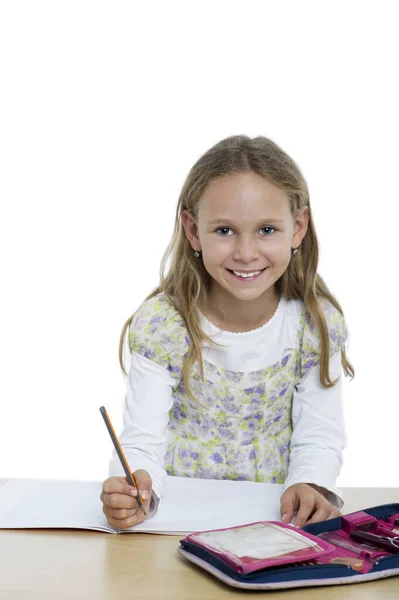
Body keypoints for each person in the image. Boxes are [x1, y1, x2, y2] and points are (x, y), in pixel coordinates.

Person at [100, 134, 354, 530]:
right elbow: (141, 441)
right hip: (176, 525)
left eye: (267, 230)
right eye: (224, 231)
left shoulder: (314, 324)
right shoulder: (163, 324)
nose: (246, 252)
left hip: (273, 528)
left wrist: (311, 483)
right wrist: (134, 488)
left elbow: (320, 435)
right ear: (193, 229)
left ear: (298, 227)